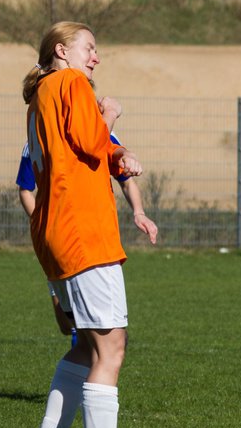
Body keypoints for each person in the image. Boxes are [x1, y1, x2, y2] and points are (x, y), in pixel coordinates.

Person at [21, 21, 145, 428]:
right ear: (62, 50)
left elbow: (82, 151)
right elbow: (91, 139)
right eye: (90, 48)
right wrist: (109, 116)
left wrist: (118, 155)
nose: (95, 58)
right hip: (83, 233)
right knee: (110, 346)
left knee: (91, 343)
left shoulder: (41, 95)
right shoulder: (71, 83)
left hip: (55, 231)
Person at [17, 121, 158, 346]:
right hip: (57, 239)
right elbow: (25, 189)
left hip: (91, 239)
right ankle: (90, 364)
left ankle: (92, 368)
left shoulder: (100, 134)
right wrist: (44, 224)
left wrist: (139, 212)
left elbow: (126, 181)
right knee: (69, 324)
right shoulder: (40, 136)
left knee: (106, 335)